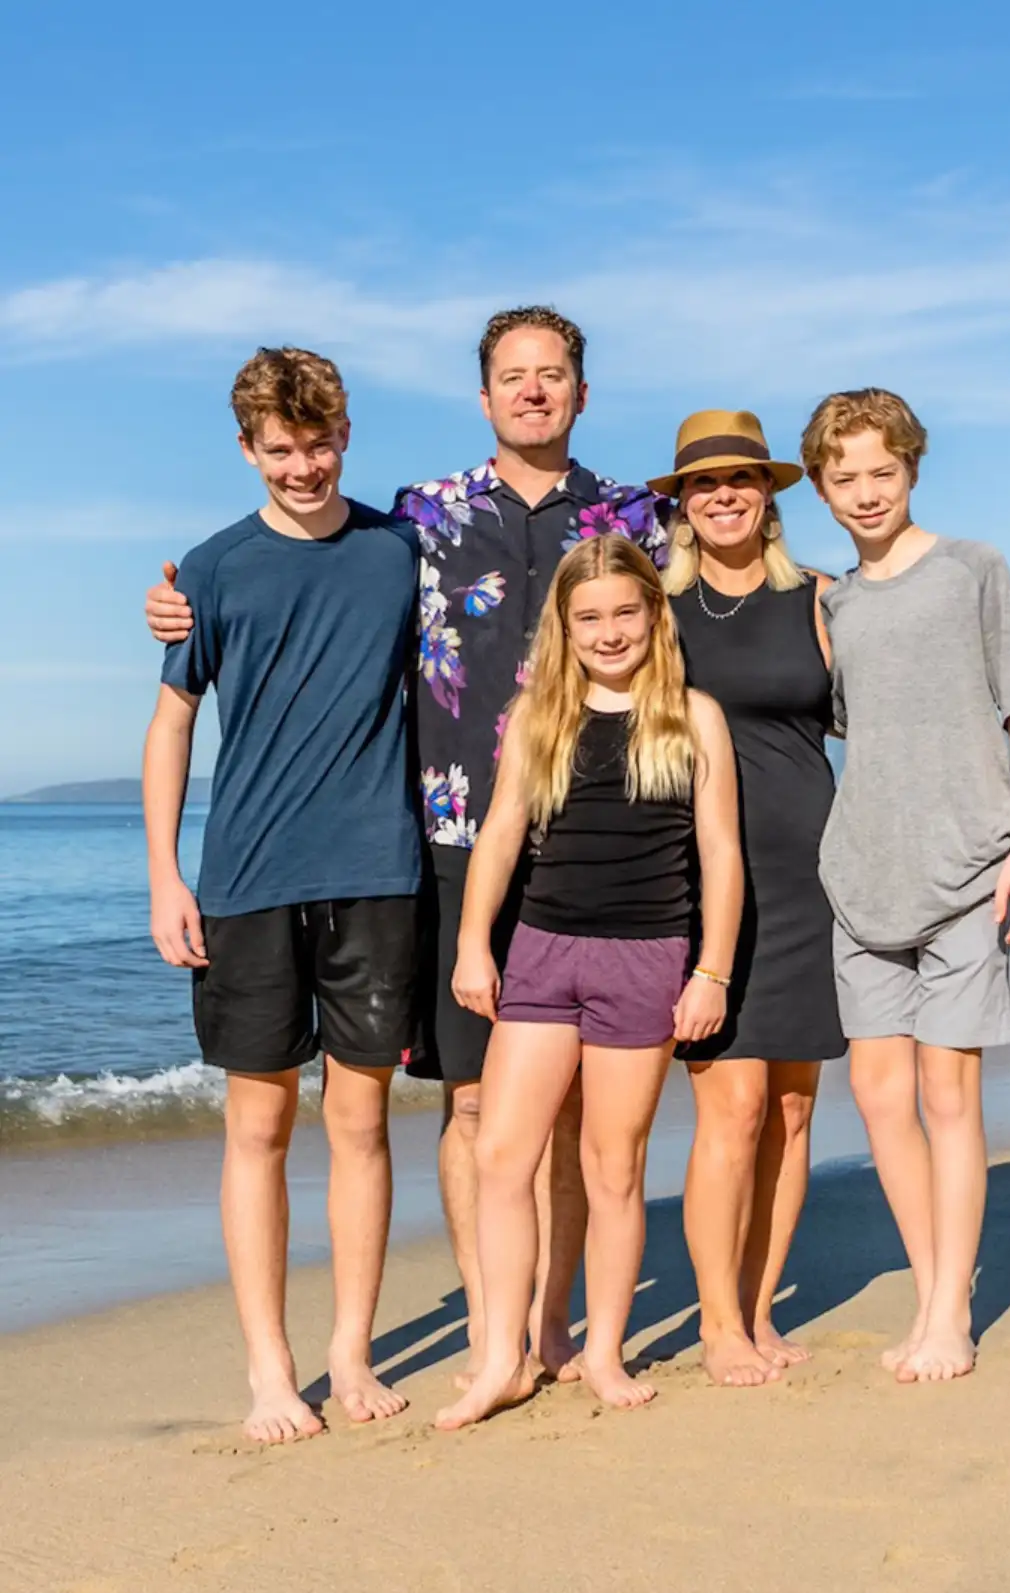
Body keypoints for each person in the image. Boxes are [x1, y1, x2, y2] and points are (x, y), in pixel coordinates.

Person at [142, 308, 666, 1386]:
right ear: (482, 398)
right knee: (451, 1104)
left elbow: (699, 600)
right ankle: (468, 1341)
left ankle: (543, 1330)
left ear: (579, 389)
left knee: (495, 1114)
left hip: (554, 846)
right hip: (426, 844)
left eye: (551, 374)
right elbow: (192, 691)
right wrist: (163, 870)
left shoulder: (605, 520)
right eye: (512, 376)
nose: (532, 390)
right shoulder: (418, 519)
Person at [143, 348, 424, 1442]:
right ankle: (271, 1367)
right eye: (280, 450)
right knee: (257, 1125)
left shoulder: (399, 553)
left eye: (319, 445)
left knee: (359, 1120)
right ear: (247, 448)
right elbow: (173, 725)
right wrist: (167, 874)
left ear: (345, 433)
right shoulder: (209, 573)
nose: (303, 468)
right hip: (248, 880)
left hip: (378, 871)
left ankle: (352, 1351)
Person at [434, 535, 743, 1429]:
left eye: (624, 612)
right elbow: (497, 837)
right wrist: (472, 946)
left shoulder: (694, 715)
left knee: (612, 1169)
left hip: (645, 958)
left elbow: (721, 855)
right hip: (540, 949)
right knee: (500, 1153)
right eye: (589, 618)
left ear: (653, 612)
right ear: (563, 629)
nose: (609, 632)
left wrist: (710, 971)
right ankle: (504, 1354)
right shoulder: (539, 715)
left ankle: (602, 1351)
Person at [800, 387, 1010, 1383]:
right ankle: (928, 1290)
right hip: (862, 871)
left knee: (949, 1094)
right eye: (843, 476)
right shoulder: (833, 605)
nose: (865, 492)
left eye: (882, 471)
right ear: (820, 486)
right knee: (875, 1096)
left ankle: (950, 1312)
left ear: (912, 468)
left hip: (967, 867)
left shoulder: (972, 570)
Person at [648, 411, 846, 1388]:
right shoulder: (655, 606)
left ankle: (760, 1311)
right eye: (703, 484)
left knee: (794, 1112)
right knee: (729, 1110)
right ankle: (717, 1325)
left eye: (741, 479)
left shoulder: (820, 598)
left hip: (816, 879)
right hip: (705, 886)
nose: (724, 495)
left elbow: (882, 714)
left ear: (768, 493)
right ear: (680, 503)